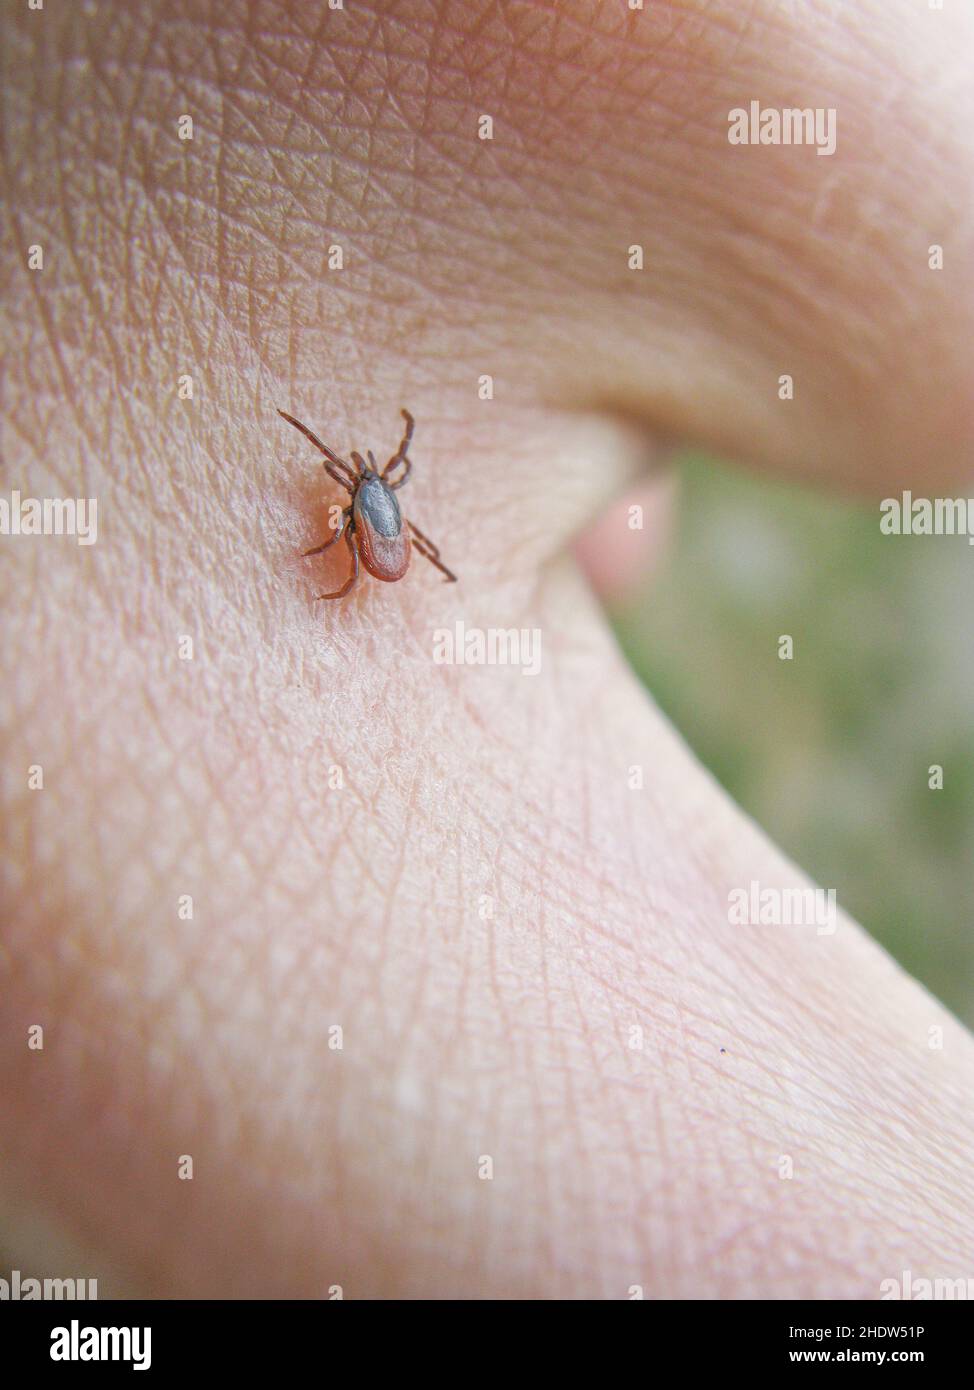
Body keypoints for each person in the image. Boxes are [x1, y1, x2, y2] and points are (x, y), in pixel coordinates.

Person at [2, 0, 973, 1298]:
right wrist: (365, 529)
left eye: (359, 490)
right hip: (399, 566)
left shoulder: (356, 525)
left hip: (385, 572)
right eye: (356, 493)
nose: (358, 495)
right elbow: (387, 511)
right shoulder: (372, 508)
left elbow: (368, 529)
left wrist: (346, 552)